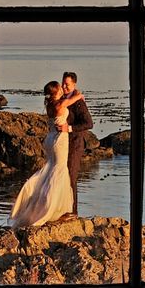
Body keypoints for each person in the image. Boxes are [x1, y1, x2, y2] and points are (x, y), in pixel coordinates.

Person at [8, 81, 85, 228]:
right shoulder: (60, 105)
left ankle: (52, 207)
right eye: (60, 88)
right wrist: (78, 93)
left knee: (51, 170)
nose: (63, 89)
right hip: (59, 140)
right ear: (56, 92)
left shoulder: (50, 105)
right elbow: (77, 97)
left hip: (50, 139)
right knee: (59, 171)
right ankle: (53, 209)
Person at [58, 72, 93, 214]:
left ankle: (73, 212)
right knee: (63, 175)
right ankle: (63, 208)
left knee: (71, 175)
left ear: (74, 85)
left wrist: (69, 128)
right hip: (64, 142)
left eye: (68, 84)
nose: (64, 86)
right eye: (63, 83)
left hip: (76, 142)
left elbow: (89, 123)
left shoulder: (78, 102)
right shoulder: (64, 98)